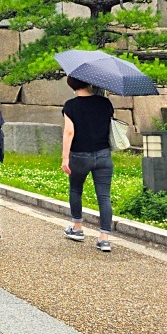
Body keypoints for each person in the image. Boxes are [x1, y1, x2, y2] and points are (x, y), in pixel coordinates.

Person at [61, 76, 116, 253]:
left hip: (79, 156)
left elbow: (69, 132)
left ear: (72, 85)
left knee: (76, 189)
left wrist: (65, 158)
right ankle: (104, 238)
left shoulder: (70, 105)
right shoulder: (105, 103)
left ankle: (77, 228)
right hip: (103, 155)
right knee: (104, 196)